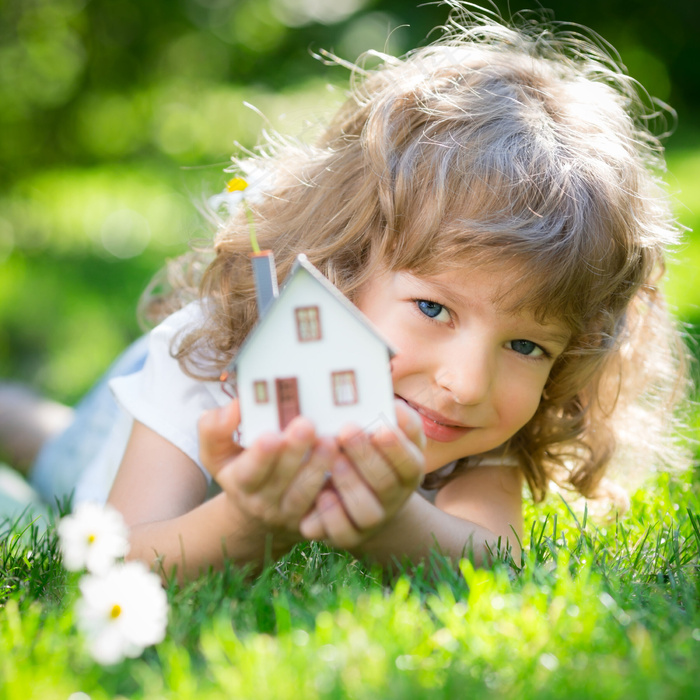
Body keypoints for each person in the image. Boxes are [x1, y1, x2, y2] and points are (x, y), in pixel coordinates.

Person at [5, 4, 691, 580]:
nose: (466, 381)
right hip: (121, 424)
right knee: (55, 455)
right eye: (433, 308)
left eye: (526, 344)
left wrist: (388, 518)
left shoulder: (474, 423)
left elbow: (494, 560)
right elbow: (126, 560)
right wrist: (249, 523)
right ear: (340, 266)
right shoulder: (208, 359)